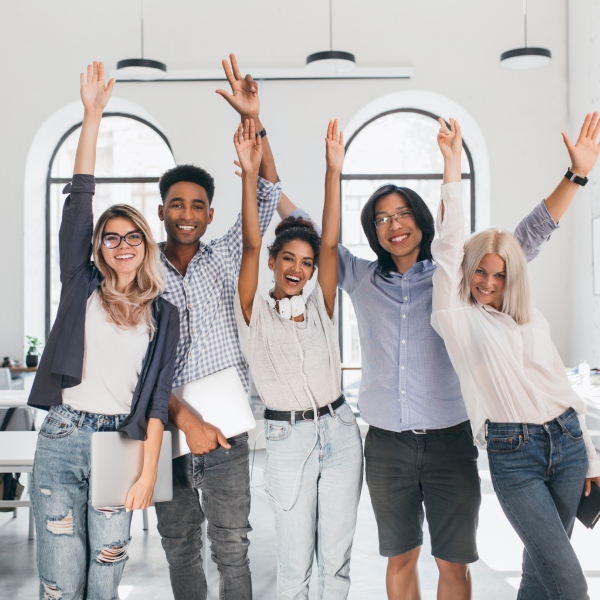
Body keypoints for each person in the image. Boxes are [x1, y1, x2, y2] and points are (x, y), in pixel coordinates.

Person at [279, 124, 584, 600]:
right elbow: (309, 230)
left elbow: (526, 238)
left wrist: (576, 175)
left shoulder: (456, 275)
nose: (394, 224)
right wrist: (300, 170)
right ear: (373, 231)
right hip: (387, 445)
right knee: (400, 558)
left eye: (403, 214)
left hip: (450, 442)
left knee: (453, 563)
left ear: (422, 220)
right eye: (381, 218)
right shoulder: (360, 278)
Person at [431, 115, 600, 600]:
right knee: (569, 583)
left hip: (567, 444)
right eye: (479, 271)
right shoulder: (457, 316)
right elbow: (448, 245)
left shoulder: (529, 319)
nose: (487, 282)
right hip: (514, 454)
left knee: (539, 574)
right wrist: (451, 166)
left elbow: (561, 392)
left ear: (513, 278)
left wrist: (589, 457)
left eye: (499, 274)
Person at [28, 62, 180, 600]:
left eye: (132, 236)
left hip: (121, 442)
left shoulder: (164, 314)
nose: (121, 244)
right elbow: (79, 201)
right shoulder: (81, 285)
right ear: (98, 247)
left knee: (105, 579)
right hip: (64, 437)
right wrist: (92, 115)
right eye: (110, 237)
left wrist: (146, 471)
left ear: (146, 243)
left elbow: (158, 402)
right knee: (59, 582)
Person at [154, 54, 288, 600]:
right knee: (179, 542)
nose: (187, 213)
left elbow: (268, 194)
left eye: (198, 206)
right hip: (162, 428)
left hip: (227, 428)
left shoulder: (226, 255)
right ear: (161, 210)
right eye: (177, 204)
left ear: (210, 215)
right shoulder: (140, 270)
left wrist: (255, 123)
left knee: (232, 542)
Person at [233, 118, 363, 599]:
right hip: (288, 440)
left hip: (342, 431)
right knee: (294, 567)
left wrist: (334, 171)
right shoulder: (253, 311)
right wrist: (249, 176)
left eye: (306, 263)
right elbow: (249, 243)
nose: (298, 268)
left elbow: (330, 243)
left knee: (338, 565)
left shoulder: (319, 305)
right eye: (288, 258)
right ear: (273, 260)